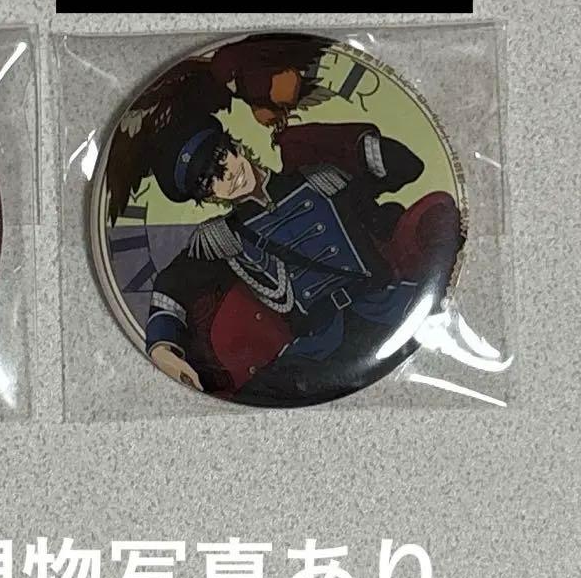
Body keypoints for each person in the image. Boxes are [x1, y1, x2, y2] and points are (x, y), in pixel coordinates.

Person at [142, 115, 462, 405]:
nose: (227, 176)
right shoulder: (221, 237)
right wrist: (163, 348)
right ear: (209, 196)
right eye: (209, 180)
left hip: (386, 309)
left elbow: (408, 167)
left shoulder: (320, 178)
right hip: (322, 345)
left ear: (234, 145)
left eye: (220, 157)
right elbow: (172, 287)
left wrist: (318, 140)